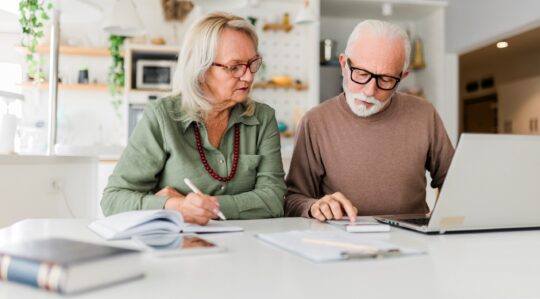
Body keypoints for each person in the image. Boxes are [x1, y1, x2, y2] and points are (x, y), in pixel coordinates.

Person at [101, 12, 286, 224]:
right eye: (234, 67)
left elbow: (273, 200)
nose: (249, 76)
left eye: (252, 63)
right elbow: (113, 200)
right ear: (201, 69)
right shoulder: (162, 116)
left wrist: (202, 206)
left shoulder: (263, 118)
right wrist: (173, 206)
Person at [285, 20, 455, 222]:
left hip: (414, 239)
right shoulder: (315, 121)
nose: (369, 91)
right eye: (361, 74)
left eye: (385, 79)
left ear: (404, 76)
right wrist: (313, 206)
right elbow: (293, 200)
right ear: (343, 64)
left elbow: (453, 180)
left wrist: (444, 217)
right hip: (341, 240)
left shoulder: (424, 114)